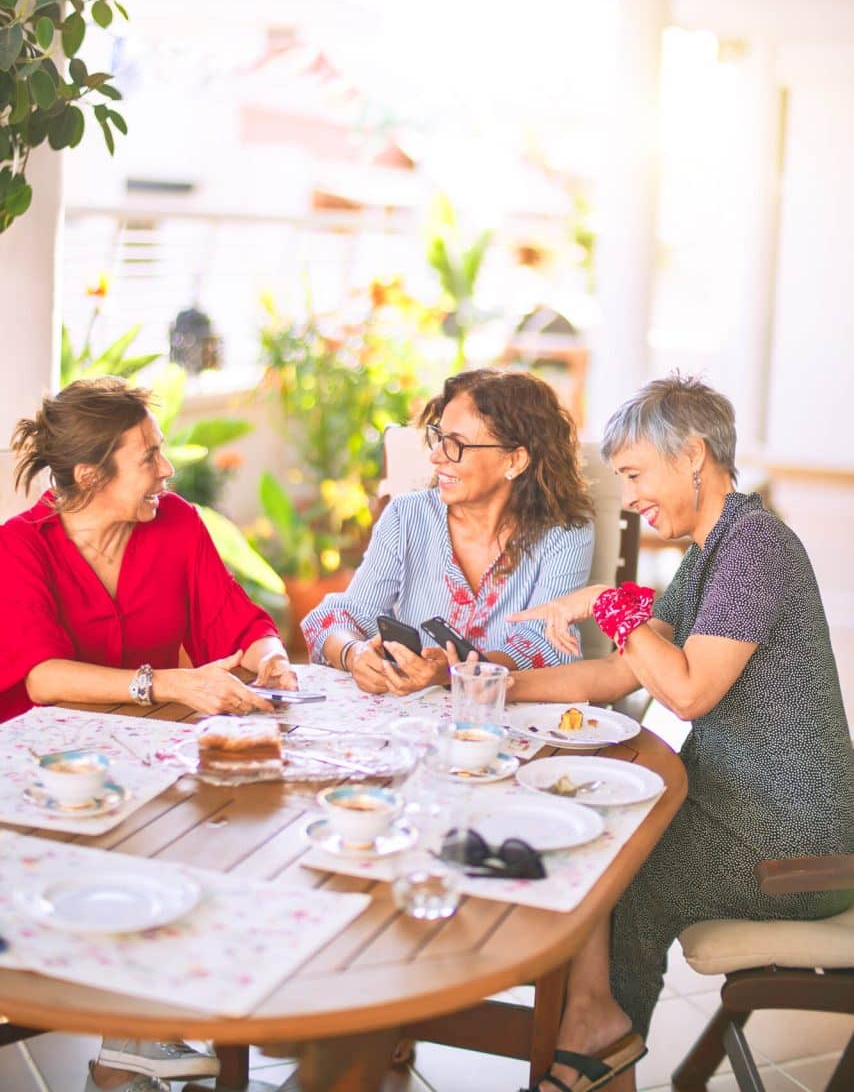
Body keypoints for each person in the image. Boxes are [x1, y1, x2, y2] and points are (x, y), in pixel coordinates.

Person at [505, 374, 853, 1092]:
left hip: (797, 850)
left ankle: (593, 1045)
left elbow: (689, 690)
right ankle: (595, 1040)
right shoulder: (711, 555)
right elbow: (616, 675)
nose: (629, 497)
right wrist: (491, 686)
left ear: (692, 454)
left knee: (615, 875)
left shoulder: (757, 547)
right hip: (749, 821)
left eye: (634, 474)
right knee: (597, 847)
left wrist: (608, 601)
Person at [0, 376, 298, 1092]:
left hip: (145, 762)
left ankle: (137, 1038)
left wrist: (272, 659)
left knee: (229, 821)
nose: (166, 469)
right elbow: (42, 677)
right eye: (149, 457)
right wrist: (165, 684)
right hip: (39, 771)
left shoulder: (177, 524)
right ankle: (140, 1030)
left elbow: (236, 620)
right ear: (88, 474)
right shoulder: (18, 548)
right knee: (150, 835)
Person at [301, 368, 594, 694]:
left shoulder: (565, 533)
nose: (436, 456)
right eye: (439, 438)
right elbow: (345, 615)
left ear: (515, 460)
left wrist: (456, 672)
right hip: (411, 719)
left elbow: (548, 646)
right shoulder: (406, 516)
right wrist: (353, 653)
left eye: (456, 445)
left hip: (509, 719)